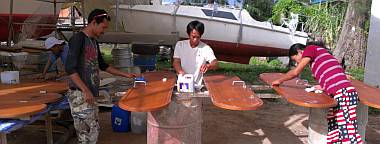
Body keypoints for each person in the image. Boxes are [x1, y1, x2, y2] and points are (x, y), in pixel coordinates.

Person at [65, 9, 137, 144]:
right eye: (103, 27)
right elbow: (70, 68)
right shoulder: (78, 39)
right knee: (87, 133)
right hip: (80, 93)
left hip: (89, 93)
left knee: (92, 130)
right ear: (93, 22)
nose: (104, 31)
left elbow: (103, 65)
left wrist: (125, 74)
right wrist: (85, 90)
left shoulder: (93, 41)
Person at [271, 43, 362, 144]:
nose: (296, 62)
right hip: (342, 94)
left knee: (348, 134)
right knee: (335, 131)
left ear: (300, 52)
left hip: (344, 94)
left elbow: (295, 72)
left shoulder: (310, 49)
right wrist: (322, 86)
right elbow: (333, 75)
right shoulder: (320, 57)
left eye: (295, 59)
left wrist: (280, 80)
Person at [173, 20, 218, 88]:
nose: (195, 40)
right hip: (182, 83)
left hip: (197, 86)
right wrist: (183, 74)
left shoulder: (205, 48)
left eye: (198, 37)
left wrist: (208, 66)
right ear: (188, 34)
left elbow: (215, 63)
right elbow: (176, 62)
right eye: (193, 37)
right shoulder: (180, 45)